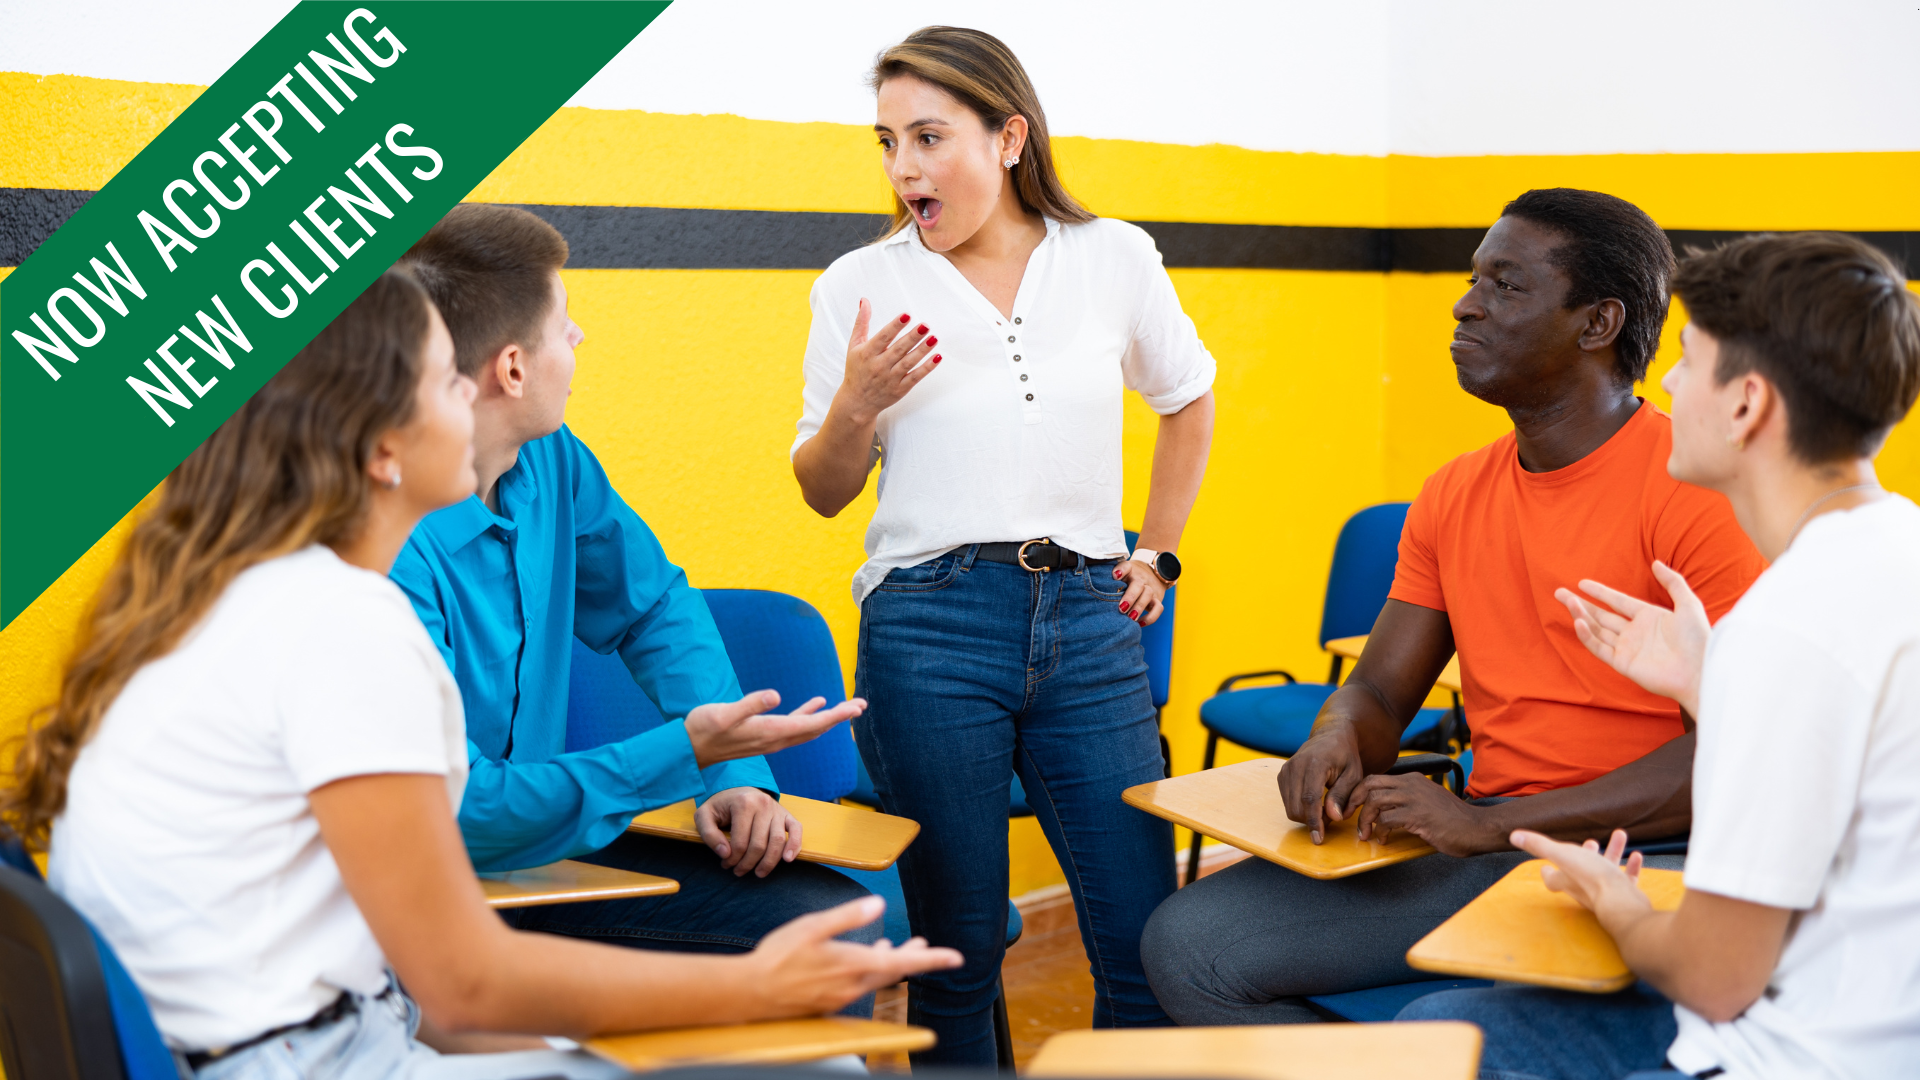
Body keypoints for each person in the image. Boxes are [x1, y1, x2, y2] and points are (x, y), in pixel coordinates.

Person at [6, 269, 961, 1078]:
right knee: (817, 1064)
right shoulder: (345, 628)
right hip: (314, 1058)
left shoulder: (251, 597)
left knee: (791, 1056)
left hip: (328, 1037)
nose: (473, 402)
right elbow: (458, 979)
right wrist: (750, 988)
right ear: (383, 449)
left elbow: (436, 999)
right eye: (443, 384)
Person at [1140, 189, 1769, 1023]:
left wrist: (1488, 827)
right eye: (1475, 279)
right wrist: (1336, 739)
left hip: (1648, 857)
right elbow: (1380, 692)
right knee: (1189, 946)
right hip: (1492, 837)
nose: (1465, 305)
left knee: (1437, 1024)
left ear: (1597, 324)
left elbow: (1737, 758)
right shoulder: (1453, 494)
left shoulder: (1698, 494)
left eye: (1505, 286)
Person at [790, 25, 1216, 1064]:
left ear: (1011, 137)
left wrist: (1156, 552)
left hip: (1090, 618)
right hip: (927, 626)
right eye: (887, 141)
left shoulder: (1112, 255)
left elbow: (1188, 398)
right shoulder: (857, 283)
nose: (904, 169)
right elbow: (823, 490)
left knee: (1141, 938)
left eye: (929, 137)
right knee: (959, 951)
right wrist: (856, 406)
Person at [1401, 232, 1920, 1079]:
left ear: (1747, 405)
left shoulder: (1784, 625)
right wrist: (1714, 690)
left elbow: (1714, 978)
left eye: (1687, 360)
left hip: (1789, 1053)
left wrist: (1617, 903)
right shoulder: (1894, 546)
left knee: (1428, 1045)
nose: (1669, 384)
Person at [393, 206, 884, 987]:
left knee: (835, 928)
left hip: (541, 856)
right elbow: (459, 815)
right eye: (564, 324)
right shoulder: (386, 546)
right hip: (420, 902)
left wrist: (735, 774)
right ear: (512, 369)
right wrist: (687, 751)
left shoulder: (551, 460)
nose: (580, 338)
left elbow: (652, 607)